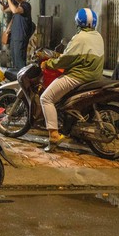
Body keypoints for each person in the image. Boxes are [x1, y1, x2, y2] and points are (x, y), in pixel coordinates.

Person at [41, 8, 104, 152]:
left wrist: (49, 64)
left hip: (79, 76)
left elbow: (66, 59)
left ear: (78, 22)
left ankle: (54, 135)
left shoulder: (79, 38)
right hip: (94, 76)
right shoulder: (97, 36)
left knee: (46, 98)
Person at [0, 0, 34, 69]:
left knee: (20, 62)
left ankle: (22, 79)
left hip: (20, 37)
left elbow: (15, 11)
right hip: (14, 37)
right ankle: (16, 79)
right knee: (15, 61)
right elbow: (4, 9)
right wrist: (2, 0)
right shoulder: (16, 5)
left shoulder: (26, 5)